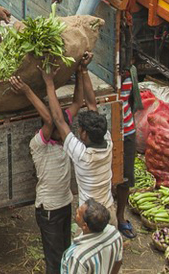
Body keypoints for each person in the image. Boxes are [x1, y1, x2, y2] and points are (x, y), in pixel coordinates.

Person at [10, 54, 92, 274]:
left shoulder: (64, 139)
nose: (66, 129)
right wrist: (29, 90)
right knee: (54, 262)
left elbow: (77, 103)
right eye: (61, 125)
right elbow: (51, 119)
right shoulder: (39, 144)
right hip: (48, 210)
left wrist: (79, 70)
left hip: (65, 205)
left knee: (65, 254)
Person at [45, 65, 115, 214]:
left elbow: (58, 120)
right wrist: (83, 70)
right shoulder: (107, 142)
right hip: (108, 208)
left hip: (90, 216)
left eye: (80, 129)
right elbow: (91, 104)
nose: (78, 130)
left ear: (85, 135)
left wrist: (49, 83)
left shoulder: (83, 156)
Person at [61, 200, 124, 274]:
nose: (76, 210)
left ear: (85, 226)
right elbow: (118, 262)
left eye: (78, 213)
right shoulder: (114, 234)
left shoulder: (78, 257)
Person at [114, 66, 141, 239]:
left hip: (128, 131)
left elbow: (132, 101)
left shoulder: (131, 72)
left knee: (126, 177)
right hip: (110, 131)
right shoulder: (109, 74)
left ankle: (120, 216)